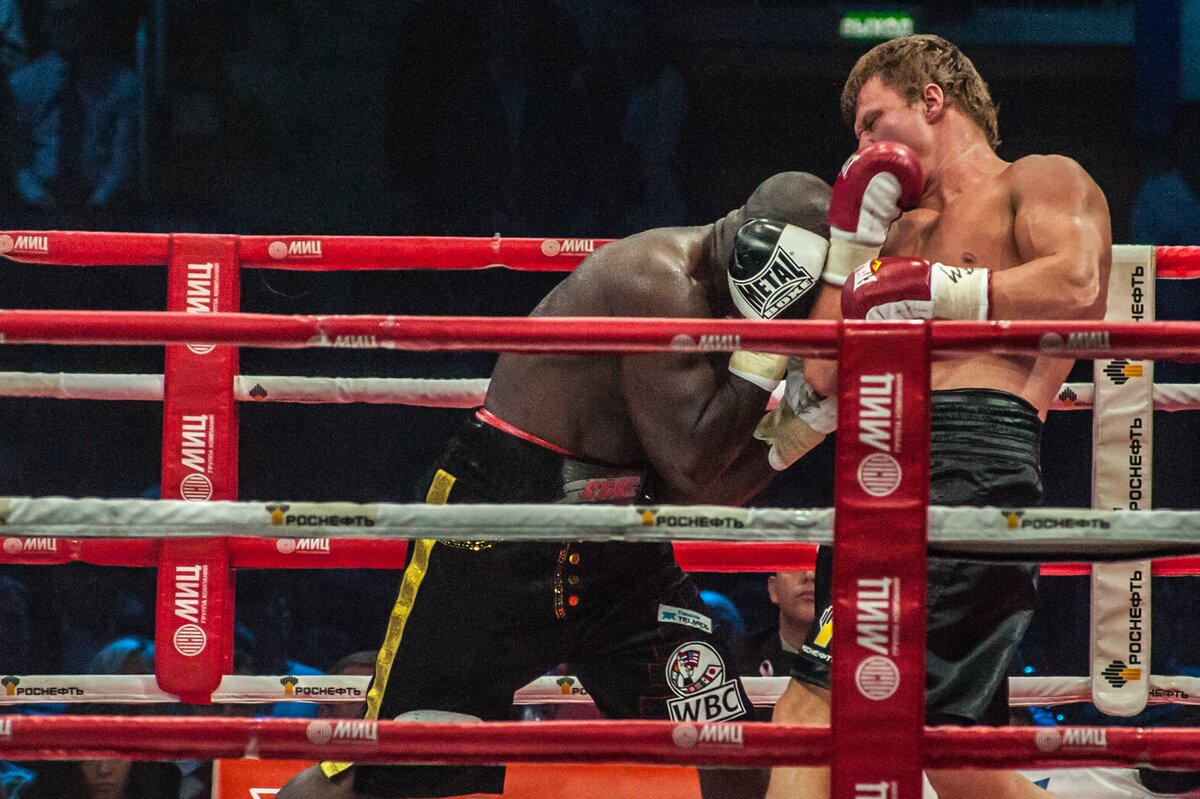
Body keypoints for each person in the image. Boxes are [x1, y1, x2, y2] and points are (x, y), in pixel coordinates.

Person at [278, 169, 835, 799]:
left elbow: (697, 496)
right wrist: (768, 349)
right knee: (395, 766)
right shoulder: (658, 279)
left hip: (620, 544)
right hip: (498, 528)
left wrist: (802, 429)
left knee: (724, 736)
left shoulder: (720, 306)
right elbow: (693, 461)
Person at [766, 34, 1111, 799]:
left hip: (971, 457)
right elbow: (820, 375)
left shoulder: (1038, 179)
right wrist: (852, 244)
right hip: (873, 465)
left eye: (872, 122)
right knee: (951, 754)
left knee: (812, 711)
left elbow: (1077, 283)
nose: (861, 148)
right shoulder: (893, 233)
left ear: (931, 99)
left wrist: (937, 290)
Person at [739, 569, 817, 679]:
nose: (809, 575)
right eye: (794, 565)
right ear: (773, 589)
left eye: (824, 566)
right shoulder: (734, 660)